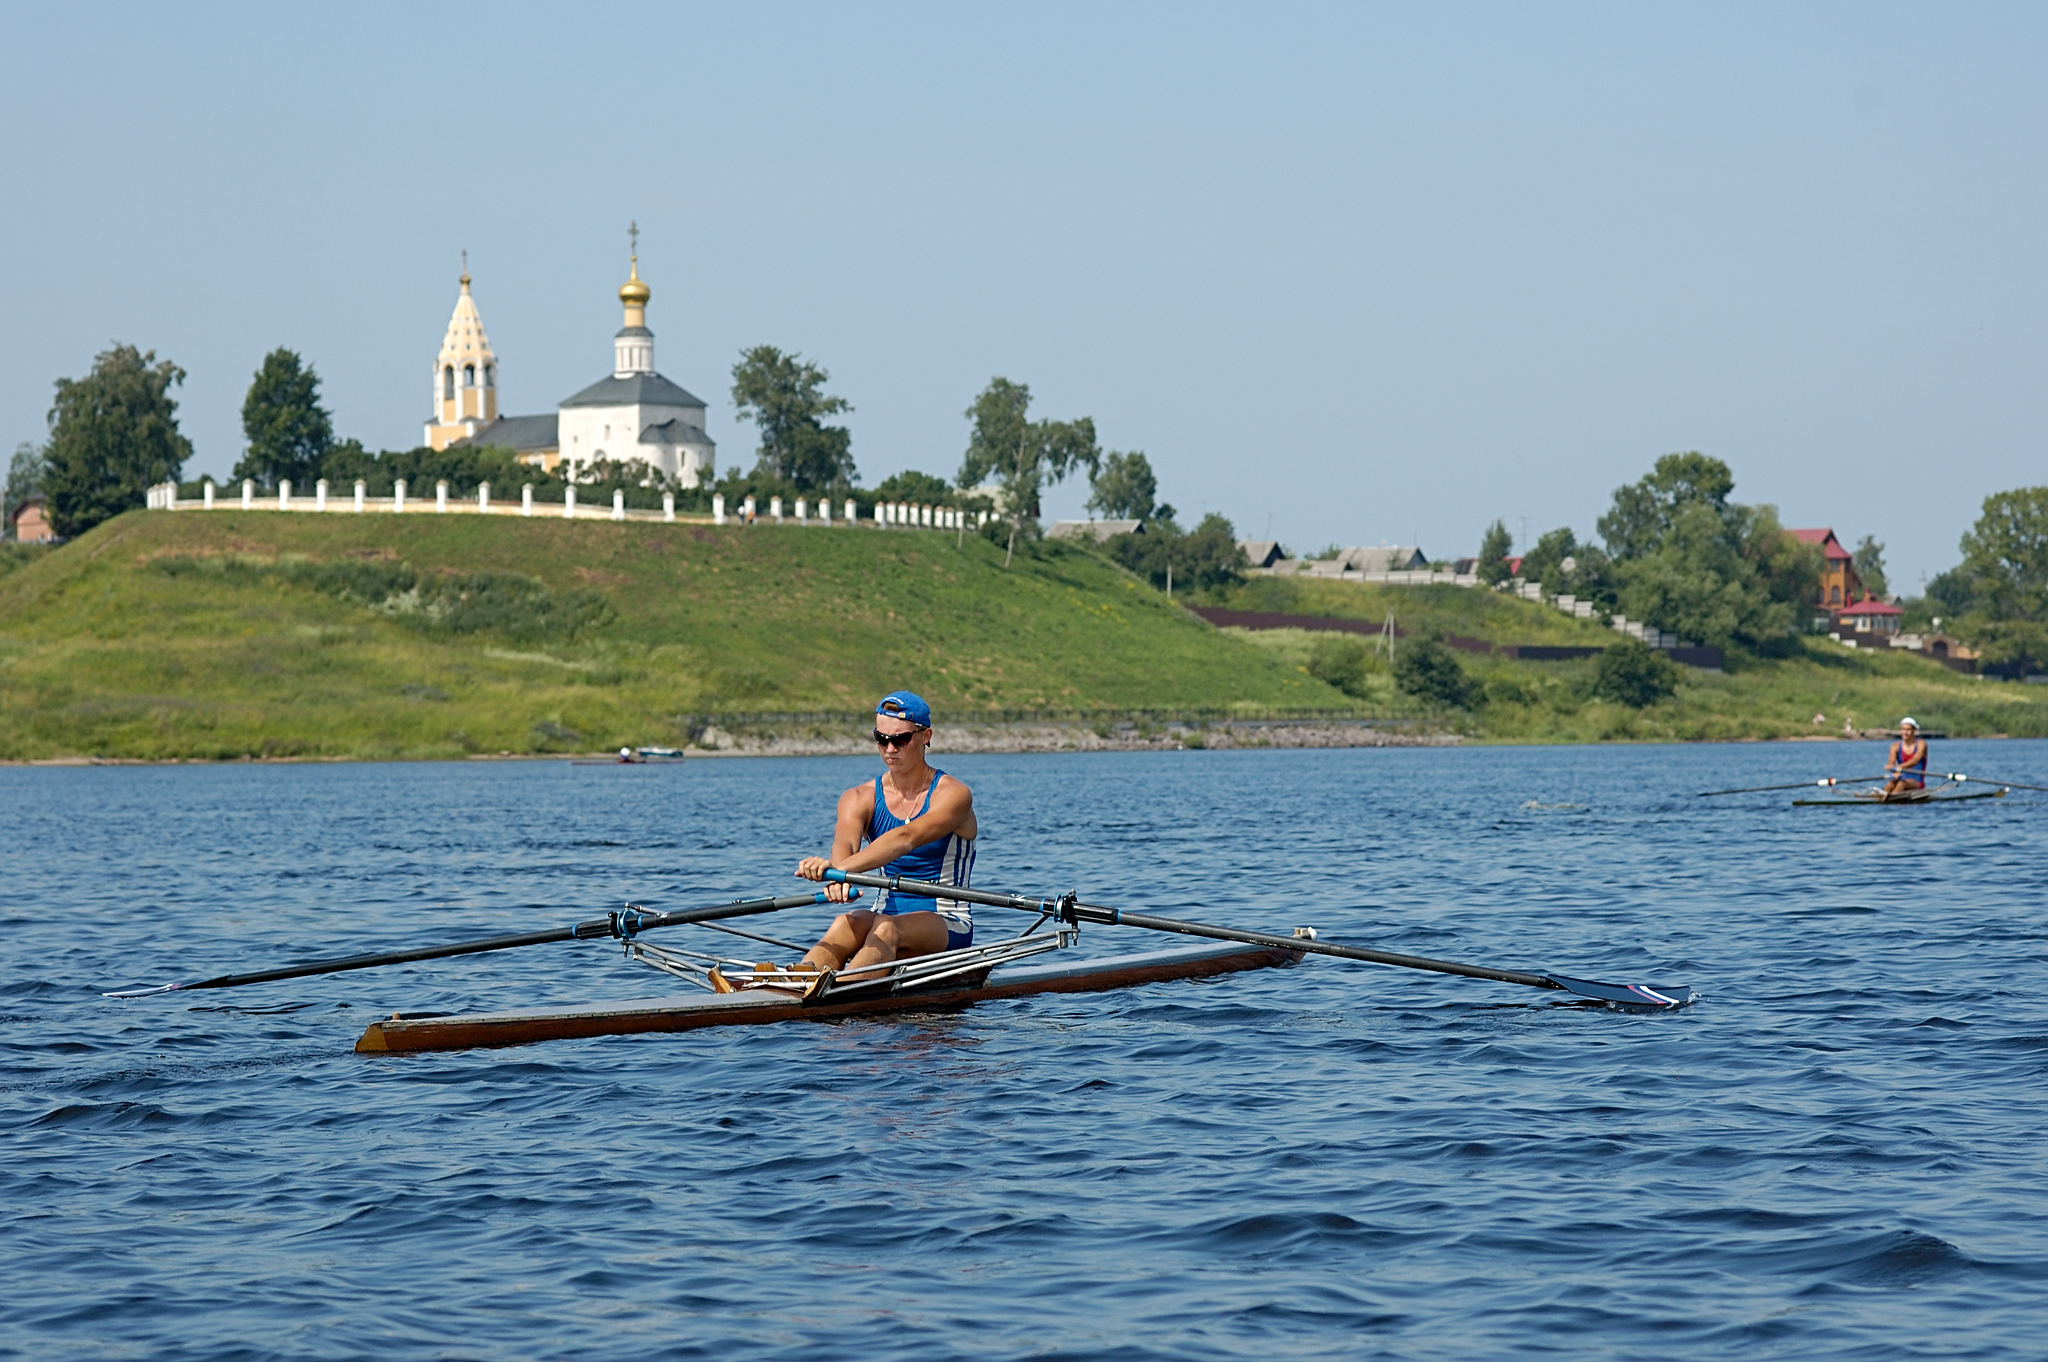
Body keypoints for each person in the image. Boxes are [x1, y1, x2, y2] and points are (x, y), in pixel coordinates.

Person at [794, 692, 977, 973]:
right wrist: (836, 879)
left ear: (926, 736)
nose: (890, 748)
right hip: (883, 918)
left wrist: (839, 869)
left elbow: (907, 838)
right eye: (881, 739)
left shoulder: (954, 795)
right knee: (844, 923)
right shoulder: (858, 797)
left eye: (901, 739)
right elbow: (844, 843)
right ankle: (794, 984)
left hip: (946, 921)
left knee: (887, 928)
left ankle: (839, 993)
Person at [1883, 717, 1929, 799]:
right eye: (1903, 729)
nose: (1905, 732)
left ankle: (1890, 799)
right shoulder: (1895, 746)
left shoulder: (1921, 744)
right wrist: (1892, 769)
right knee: (1891, 783)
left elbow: (1915, 761)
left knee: (1901, 783)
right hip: (1901, 777)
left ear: (1914, 730)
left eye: (1908, 730)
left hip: (1917, 781)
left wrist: (1899, 767)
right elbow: (1891, 763)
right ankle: (1879, 797)